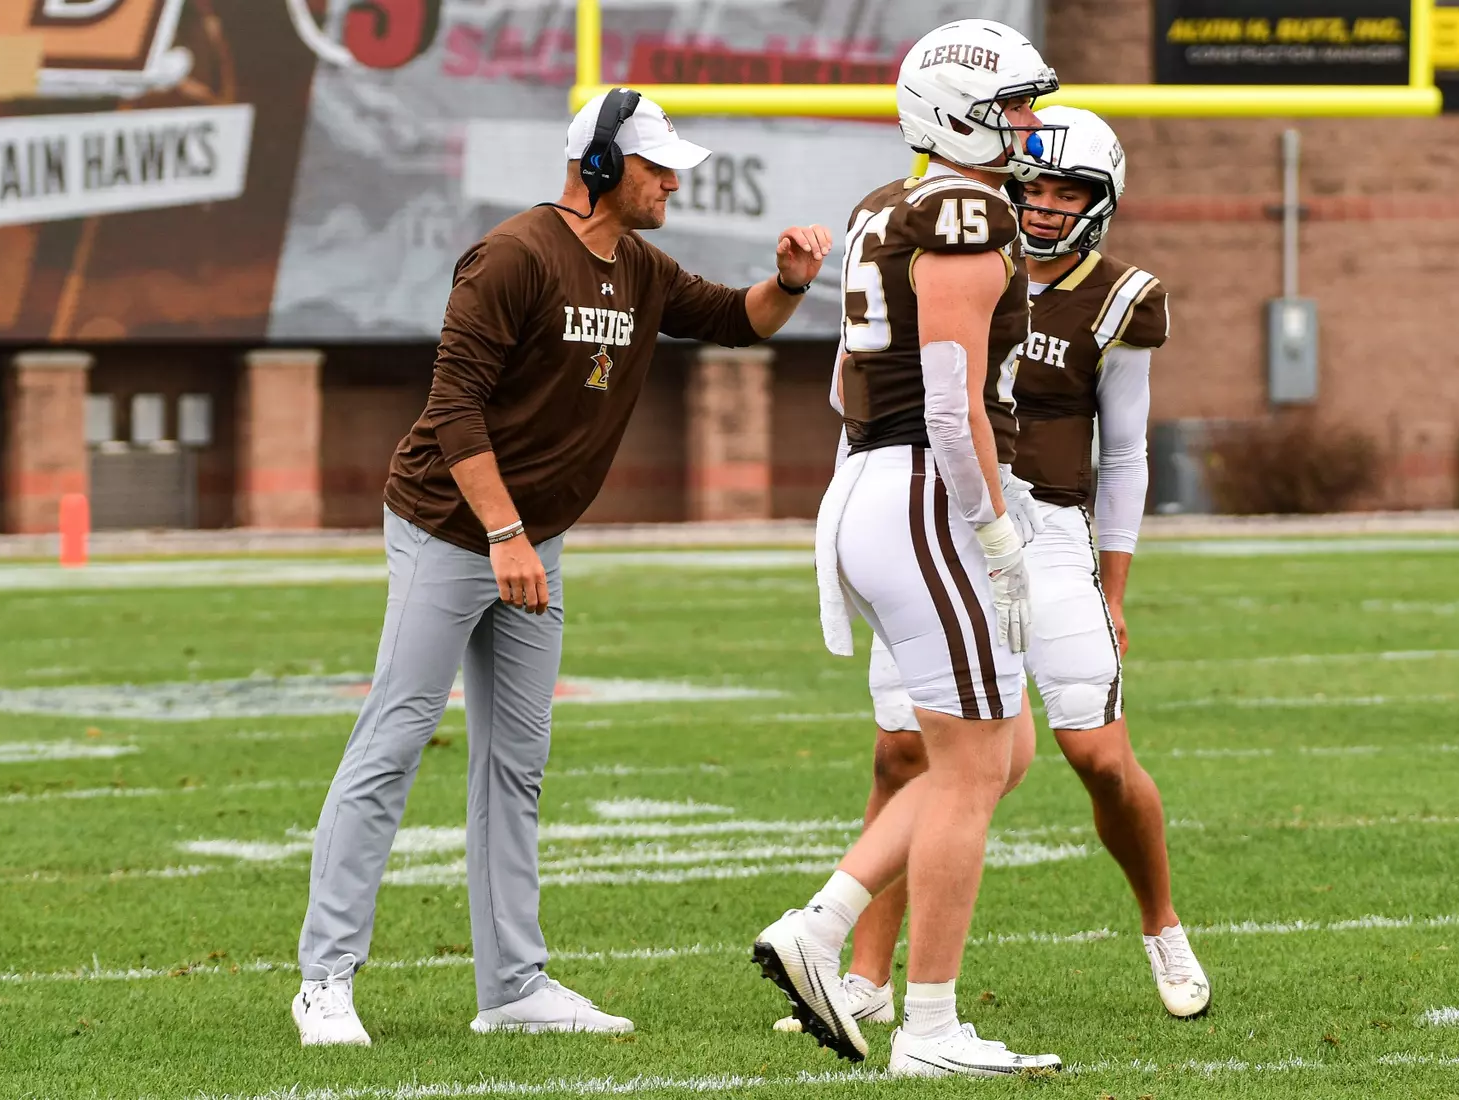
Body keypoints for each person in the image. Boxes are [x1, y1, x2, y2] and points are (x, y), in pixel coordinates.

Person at [290, 88, 832, 1047]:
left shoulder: (639, 266)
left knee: (518, 765)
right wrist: (503, 533)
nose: (672, 183)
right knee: (395, 740)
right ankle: (324, 980)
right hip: (451, 526)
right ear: (601, 167)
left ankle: (512, 986)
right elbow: (453, 406)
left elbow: (734, 319)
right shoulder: (512, 256)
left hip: (529, 540)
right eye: (657, 167)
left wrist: (787, 283)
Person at [776, 106, 1211, 1040]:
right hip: (944, 516)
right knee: (910, 753)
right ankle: (865, 977)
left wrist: (1115, 587)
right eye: (1036, 186)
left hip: (1042, 528)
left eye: (1068, 192)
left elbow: (1124, 455)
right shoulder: (958, 244)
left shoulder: (1119, 296)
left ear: (1100, 203)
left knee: (1095, 756)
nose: (1046, 205)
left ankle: (1162, 925)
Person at [751, 19, 1067, 1078]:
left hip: (876, 485)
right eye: (1013, 107)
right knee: (973, 767)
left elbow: (853, 383)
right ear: (958, 113)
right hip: (927, 490)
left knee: (1000, 751)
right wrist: (995, 528)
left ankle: (825, 922)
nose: (1029, 125)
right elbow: (947, 401)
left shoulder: (887, 203)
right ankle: (929, 1027)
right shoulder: (968, 211)